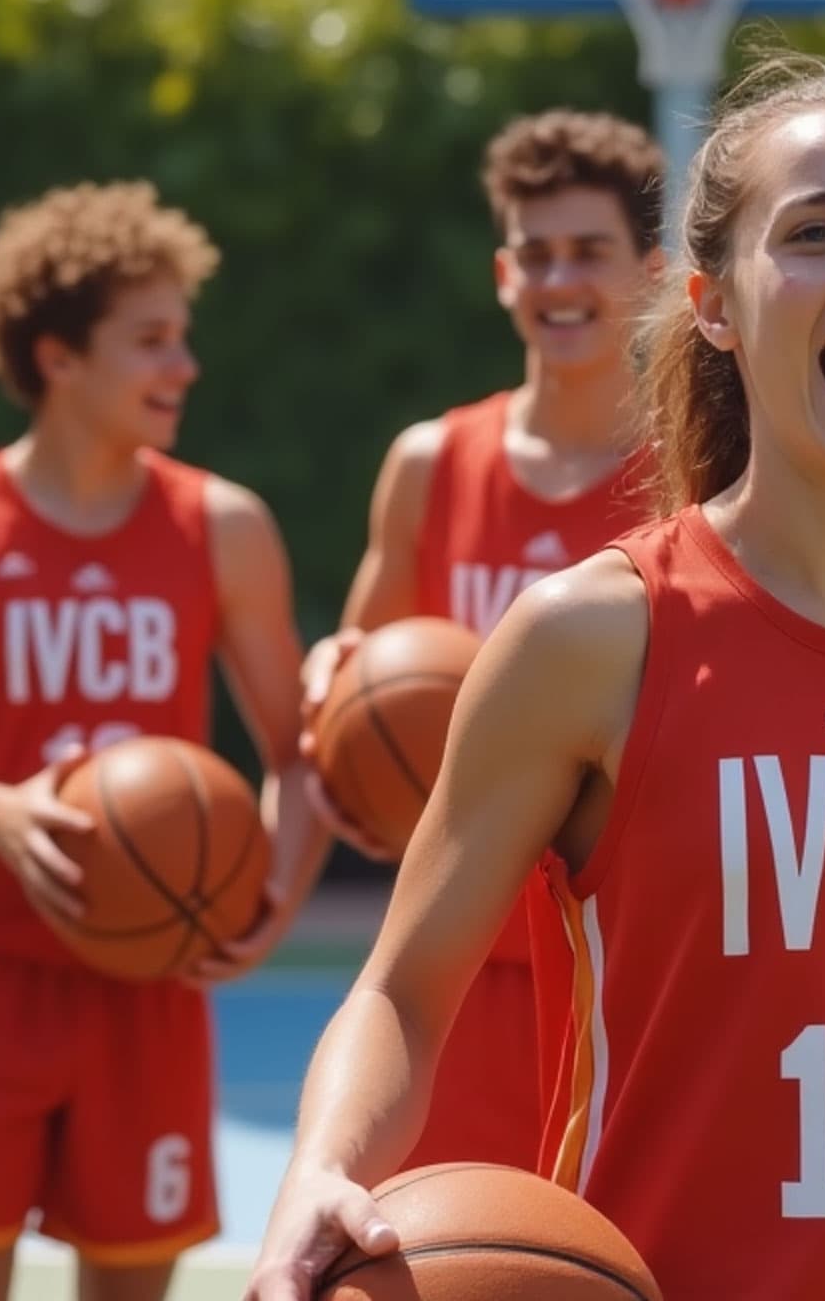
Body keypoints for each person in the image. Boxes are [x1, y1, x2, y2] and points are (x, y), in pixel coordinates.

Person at [245, 52, 825, 1301]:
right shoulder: (593, 638)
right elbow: (405, 990)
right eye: (818, 232)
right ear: (713, 302)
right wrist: (319, 1168)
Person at [0, 181, 327, 1301]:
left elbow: (298, 756)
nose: (183, 366)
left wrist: (270, 905)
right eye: (150, 342)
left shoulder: (222, 525)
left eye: (182, 337)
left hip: (145, 976)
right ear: (57, 357)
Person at [297, 109, 664, 1173]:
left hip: (615, 958)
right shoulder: (431, 463)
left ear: (647, 272)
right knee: (452, 1265)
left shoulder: (695, 474)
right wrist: (338, 691)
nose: (559, 282)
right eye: (535, 255)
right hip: (453, 958)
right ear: (504, 274)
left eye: (588, 253)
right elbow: (363, 682)